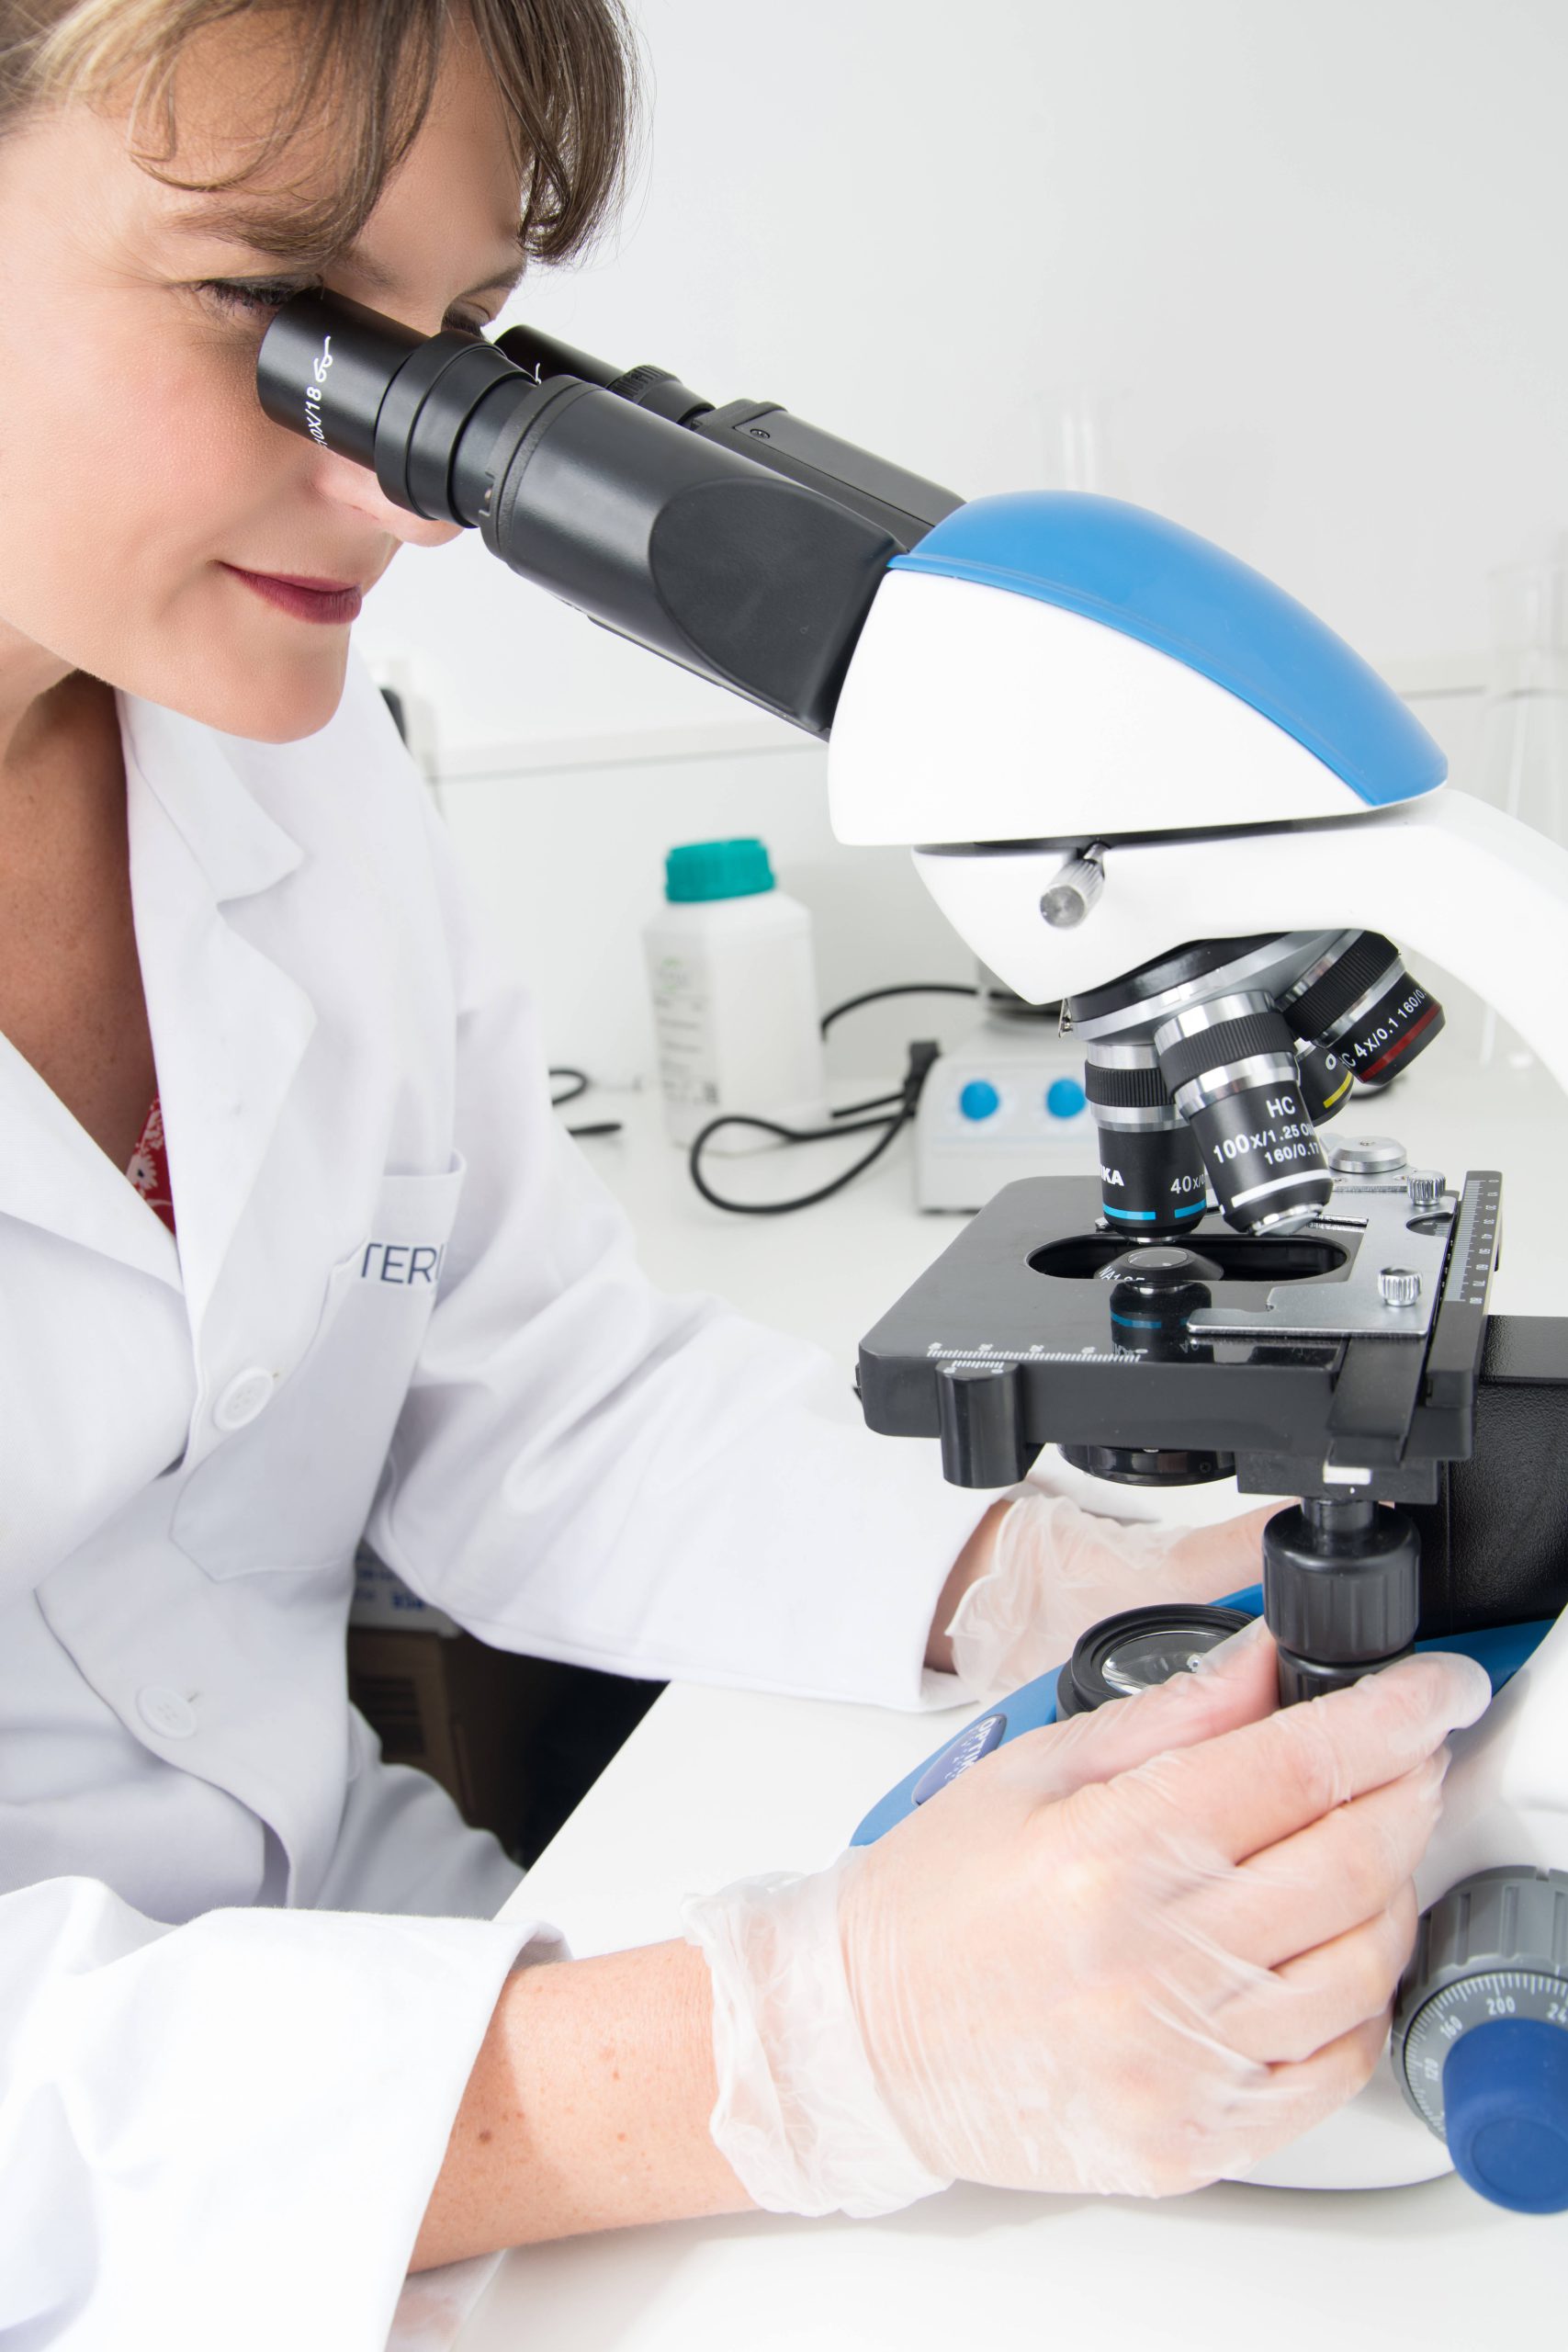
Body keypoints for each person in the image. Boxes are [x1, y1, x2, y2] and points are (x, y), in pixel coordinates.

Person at [0, 4, 1490, 2344]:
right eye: (273, 309)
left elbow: (520, 1388)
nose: (407, 480)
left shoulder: (277, 760)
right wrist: (791, 2045)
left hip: (403, 2036)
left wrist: (1059, 1573)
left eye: (463, 349)